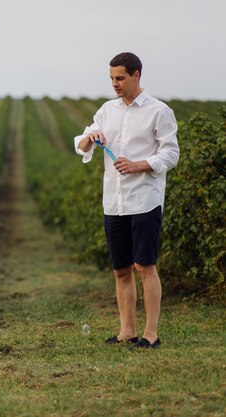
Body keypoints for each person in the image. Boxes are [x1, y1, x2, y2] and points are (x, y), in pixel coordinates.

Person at [74, 52, 179, 349]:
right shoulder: (107, 110)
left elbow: (171, 154)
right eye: (111, 79)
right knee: (120, 269)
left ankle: (151, 334)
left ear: (136, 75)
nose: (115, 84)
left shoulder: (159, 111)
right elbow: (82, 146)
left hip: (145, 199)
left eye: (120, 78)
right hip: (114, 202)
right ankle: (126, 331)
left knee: (144, 266)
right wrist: (91, 139)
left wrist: (139, 164)